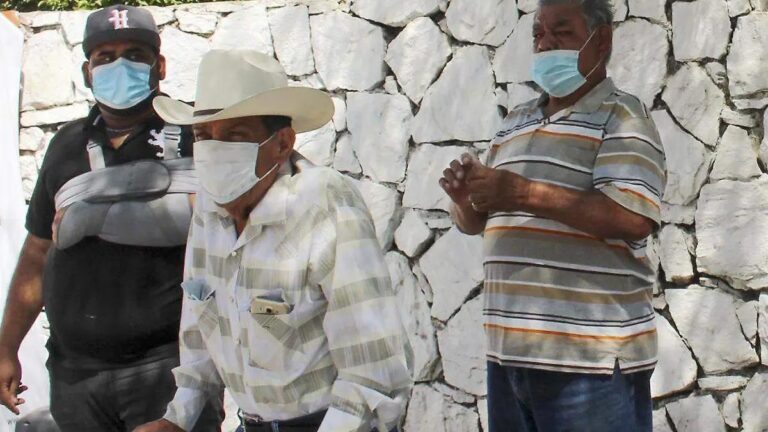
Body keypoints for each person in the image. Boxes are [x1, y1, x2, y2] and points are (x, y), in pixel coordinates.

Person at [134, 49, 412, 432]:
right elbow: (200, 332)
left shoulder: (323, 202)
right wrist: (176, 419)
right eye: (203, 136)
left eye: (234, 136)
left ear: (282, 143)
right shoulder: (209, 210)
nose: (214, 151)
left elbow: (373, 370)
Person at [440, 1, 667, 431]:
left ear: (601, 41)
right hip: (509, 358)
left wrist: (521, 192)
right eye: (538, 34)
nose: (545, 44)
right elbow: (477, 222)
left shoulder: (622, 116)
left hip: (589, 365)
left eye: (561, 33)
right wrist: (467, 200)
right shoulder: (516, 121)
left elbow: (631, 215)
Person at [0, 5, 222, 431]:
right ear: (87, 72)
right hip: (75, 375)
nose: (120, 65)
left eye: (135, 54)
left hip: (170, 370)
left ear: (160, 66)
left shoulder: (199, 135)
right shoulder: (66, 145)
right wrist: (8, 346)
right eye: (105, 56)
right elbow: (37, 251)